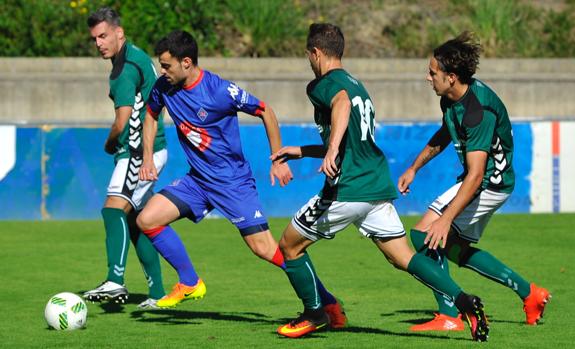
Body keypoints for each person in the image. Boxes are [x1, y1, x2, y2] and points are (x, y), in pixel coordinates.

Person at [271, 23, 489, 342]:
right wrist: (304, 151)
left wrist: (330, 150)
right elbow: (354, 140)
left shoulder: (323, 85)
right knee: (403, 257)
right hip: (375, 185)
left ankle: (315, 313)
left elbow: (341, 105)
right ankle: (465, 302)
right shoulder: (358, 85)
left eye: (308, 55)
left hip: (348, 188)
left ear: (315, 53)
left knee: (290, 246)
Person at [135, 30, 346, 328]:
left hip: (232, 183)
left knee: (265, 248)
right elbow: (151, 115)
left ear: (186, 62)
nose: (162, 72)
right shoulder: (163, 87)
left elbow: (265, 111)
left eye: (166, 65)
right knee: (148, 220)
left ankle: (327, 301)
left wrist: (278, 157)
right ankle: (190, 282)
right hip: (198, 181)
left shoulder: (219, 91)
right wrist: (146, 157)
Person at [397, 31, 550, 332]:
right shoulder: (451, 100)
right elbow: (445, 133)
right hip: (483, 179)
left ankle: (450, 314)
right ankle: (529, 293)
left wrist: (446, 218)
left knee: (425, 236)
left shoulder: (477, 111)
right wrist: (414, 167)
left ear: (451, 77)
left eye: (433, 73)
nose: (428, 78)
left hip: (490, 183)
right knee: (449, 247)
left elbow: (477, 174)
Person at [83, 7, 167, 309]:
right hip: (146, 150)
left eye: (103, 35)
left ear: (119, 32)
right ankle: (157, 293)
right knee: (136, 221)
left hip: (139, 152)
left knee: (112, 209)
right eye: (94, 38)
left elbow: (122, 120)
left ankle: (115, 280)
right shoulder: (134, 56)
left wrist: (110, 143)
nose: (99, 43)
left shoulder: (124, 69)